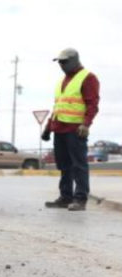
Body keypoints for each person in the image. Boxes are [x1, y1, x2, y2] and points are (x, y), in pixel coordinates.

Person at [41, 48, 100, 212]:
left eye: (64, 61)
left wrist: (86, 124)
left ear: (74, 60)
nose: (61, 64)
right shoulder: (62, 81)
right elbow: (58, 107)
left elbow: (92, 105)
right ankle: (65, 197)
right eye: (59, 61)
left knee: (78, 165)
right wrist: (48, 128)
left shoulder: (88, 78)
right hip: (59, 128)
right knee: (64, 165)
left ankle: (80, 199)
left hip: (75, 130)